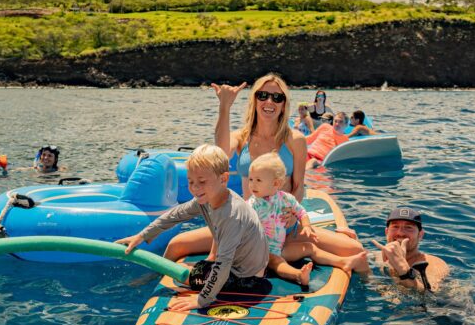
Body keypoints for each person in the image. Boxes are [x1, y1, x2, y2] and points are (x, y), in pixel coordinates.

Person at [157, 74, 365, 266]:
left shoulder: (295, 140)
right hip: (246, 226)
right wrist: (225, 107)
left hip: (284, 225)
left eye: (277, 97)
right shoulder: (242, 138)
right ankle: (159, 291)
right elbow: (219, 153)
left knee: (354, 250)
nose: (269, 102)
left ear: (284, 105)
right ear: (254, 100)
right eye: (263, 95)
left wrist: (293, 213)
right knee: (177, 244)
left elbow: (299, 185)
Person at [117, 144, 270, 312]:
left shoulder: (232, 215)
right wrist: (141, 236)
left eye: (202, 182)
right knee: (181, 268)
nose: (195, 188)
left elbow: (223, 265)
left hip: (247, 278)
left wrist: (202, 300)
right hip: (238, 266)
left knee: (179, 273)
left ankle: (154, 277)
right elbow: (175, 215)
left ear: (223, 179)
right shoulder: (208, 199)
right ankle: (155, 276)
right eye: (191, 182)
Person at [248, 153, 366, 286]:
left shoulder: (286, 198)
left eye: (258, 180)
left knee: (310, 248)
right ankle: (298, 275)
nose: (252, 185)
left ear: (276, 183)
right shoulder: (253, 204)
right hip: (265, 252)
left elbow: (301, 212)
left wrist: (307, 226)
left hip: (282, 248)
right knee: (277, 262)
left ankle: (342, 262)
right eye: (250, 179)